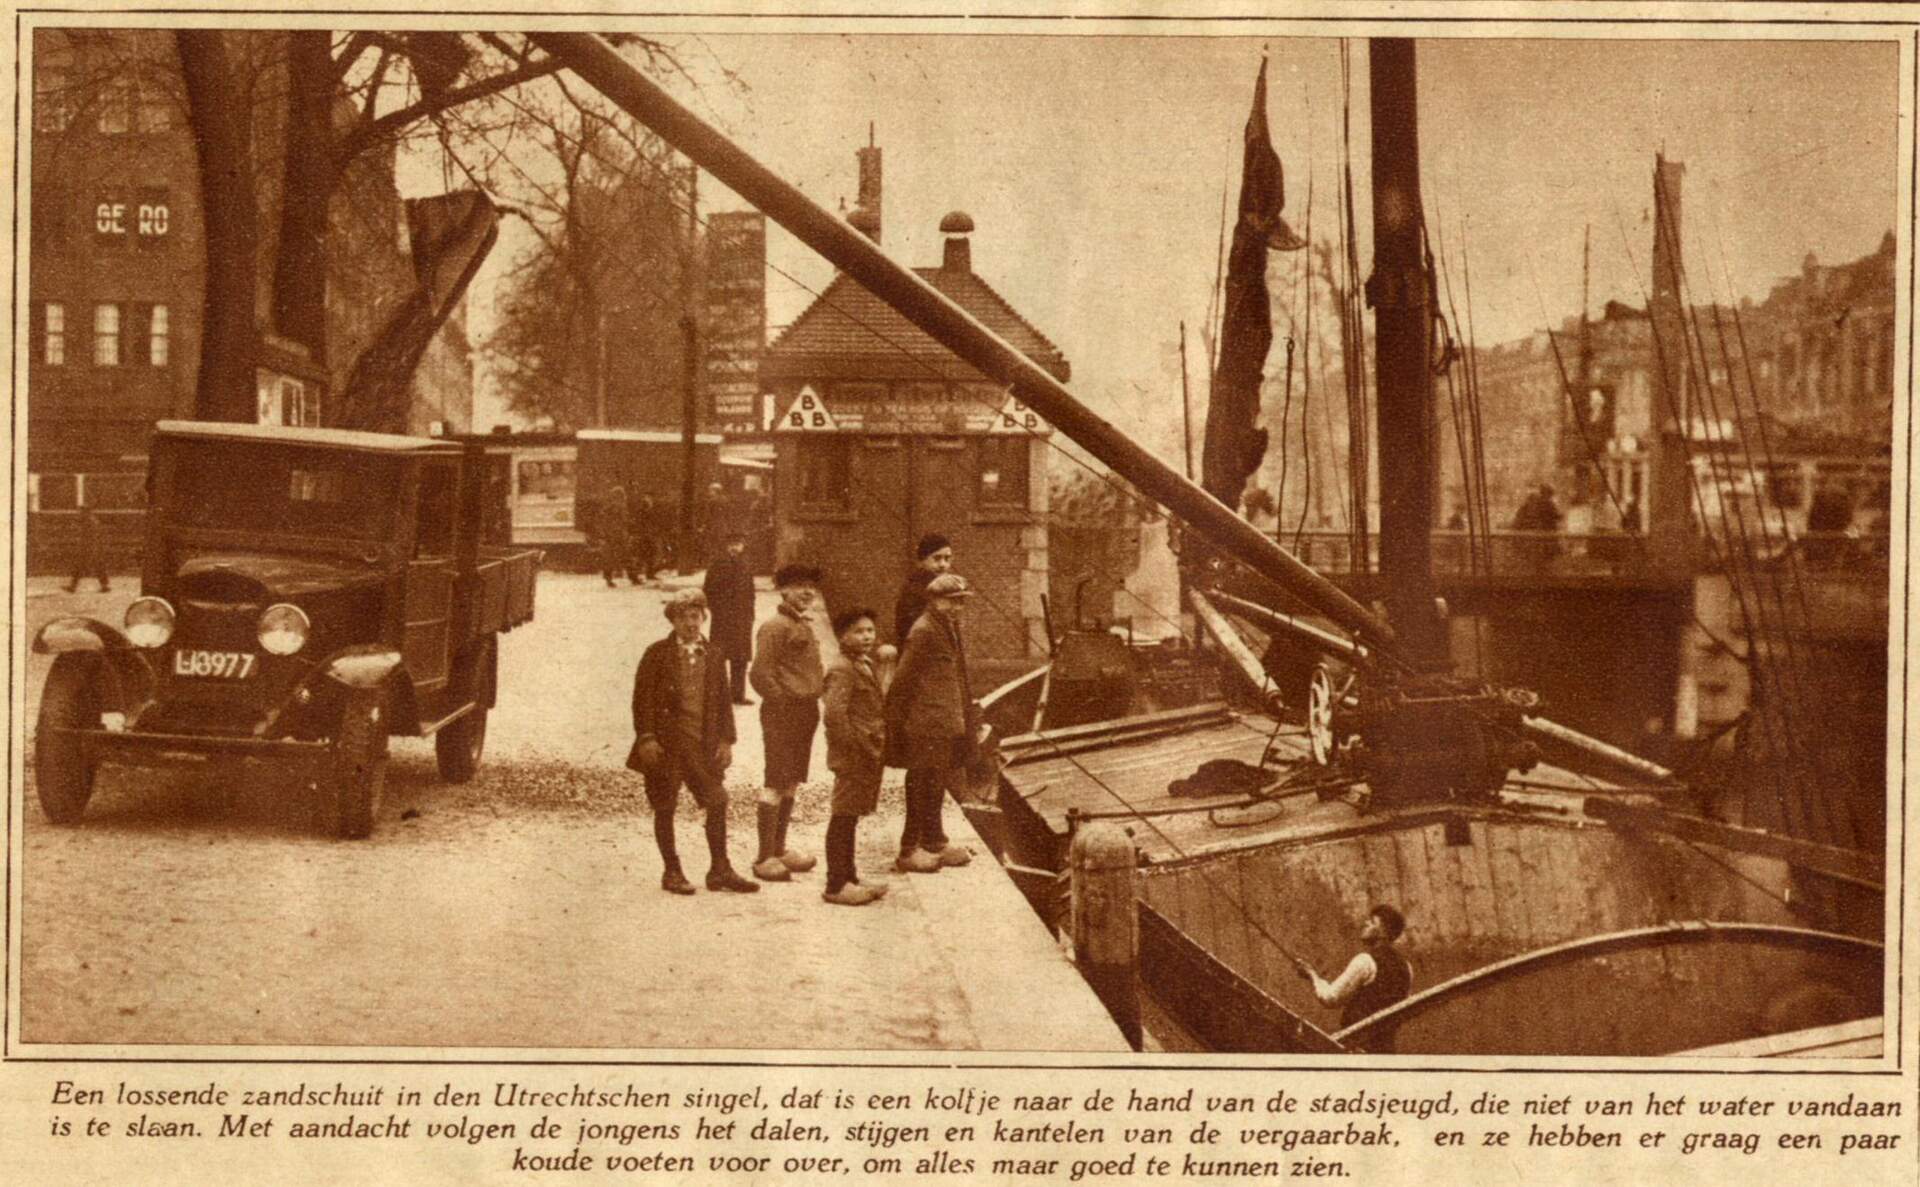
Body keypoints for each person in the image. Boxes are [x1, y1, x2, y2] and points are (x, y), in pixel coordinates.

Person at [627, 590, 757, 895]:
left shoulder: (714, 654)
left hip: (703, 745)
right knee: (665, 805)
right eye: (683, 616)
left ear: (704, 617)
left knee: (718, 800)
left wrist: (726, 740)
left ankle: (720, 869)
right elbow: (641, 700)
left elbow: (724, 702)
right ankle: (672, 871)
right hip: (666, 747)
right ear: (672, 620)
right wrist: (646, 737)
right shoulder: (656, 654)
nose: (690, 622)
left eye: (696, 615)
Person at [885, 572, 977, 874]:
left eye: (961, 602)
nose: (957, 608)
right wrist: (896, 723)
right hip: (926, 721)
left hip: (944, 719)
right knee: (921, 780)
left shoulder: (946, 626)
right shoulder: (924, 630)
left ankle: (935, 840)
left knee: (936, 781)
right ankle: (909, 848)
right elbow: (902, 679)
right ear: (934, 600)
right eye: (951, 602)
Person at [748, 562, 826, 882]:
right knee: (776, 781)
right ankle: (764, 856)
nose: (807, 591)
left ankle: (780, 849)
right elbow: (759, 674)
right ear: (783, 590)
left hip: (805, 712)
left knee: (792, 779)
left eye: (811, 585)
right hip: (784, 712)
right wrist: (783, 702)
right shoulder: (775, 626)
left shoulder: (803, 625)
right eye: (799, 585)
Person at [820, 608, 890, 906]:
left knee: (851, 816)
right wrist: (853, 747)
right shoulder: (842, 669)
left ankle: (849, 876)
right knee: (843, 816)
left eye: (870, 631)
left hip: (865, 752)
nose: (867, 637)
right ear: (842, 637)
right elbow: (835, 716)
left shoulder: (863, 663)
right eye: (859, 632)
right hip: (853, 754)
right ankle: (836, 884)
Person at [1293, 904, 1412, 1031]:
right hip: (1385, 1047)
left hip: (1357, 1044)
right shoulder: (1407, 968)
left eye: (1372, 922)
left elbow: (1331, 998)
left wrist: (1312, 975)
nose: (1365, 923)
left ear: (1383, 931)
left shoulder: (1365, 961)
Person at [702, 531, 756, 705]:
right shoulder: (717, 564)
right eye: (732, 544)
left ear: (743, 546)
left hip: (742, 618)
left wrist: (750, 613)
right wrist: (717, 609)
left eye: (738, 544)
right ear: (727, 546)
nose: (735, 547)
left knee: (740, 658)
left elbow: (750, 592)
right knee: (718, 656)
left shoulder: (746, 565)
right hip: (723, 618)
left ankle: (737, 695)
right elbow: (708, 589)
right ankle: (717, 695)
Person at [893, 532, 954, 645]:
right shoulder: (915, 590)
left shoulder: (945, 586)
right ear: (922, 561)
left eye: (947, 559)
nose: (943, 564)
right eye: (937, 558)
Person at [66, 505, 109, 594]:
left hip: (90, 548)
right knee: (97, 566)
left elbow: (91, 537)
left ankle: (73, 587)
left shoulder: (89, 522)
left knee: (81, 566)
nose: (79, 514)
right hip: (92, 547)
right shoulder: (91, 520)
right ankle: (104, 586)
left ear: (85, 512)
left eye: (81, 512)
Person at [600, 485, 636, 588]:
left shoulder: (609, 508)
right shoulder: (618, 507)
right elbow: (622, 522)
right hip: (617, 536)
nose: (624, 497)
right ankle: (633, 577)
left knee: (611, 558)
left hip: (613, 536)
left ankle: (609, 579)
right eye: (622, 495)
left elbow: (605, 522)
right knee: (626, 557)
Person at [629, 490, 658, 584]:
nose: (650, 500)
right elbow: (643, 523)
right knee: (643, 556)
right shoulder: (643, 511)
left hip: (646, 535)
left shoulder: (648, 510)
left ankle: (648, 573)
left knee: (648, 555)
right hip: (643, 536)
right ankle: (640, 574)